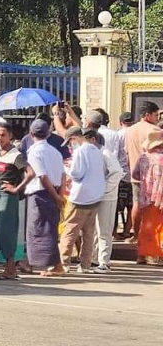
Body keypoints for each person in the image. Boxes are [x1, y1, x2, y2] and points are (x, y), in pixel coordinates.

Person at [0, 123, 34, 280]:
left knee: (7, 231)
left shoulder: (15, 155)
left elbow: (31, 173)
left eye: (3, 135)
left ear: (10, 136)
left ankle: (10, 269)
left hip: (8, 198)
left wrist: (16, 188)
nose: (0, 138)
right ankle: (8, 268)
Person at [59, 127, 106, 274]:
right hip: (95, 196)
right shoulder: (97, 151)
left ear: (75, 137)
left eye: (70, 141)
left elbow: (77, 174)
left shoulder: (80, 151)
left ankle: (63, 263)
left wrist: (66, 169)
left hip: (80, 197)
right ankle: (85, 264)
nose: (70, 145)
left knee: (69, 230)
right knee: (88, 233)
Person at [24, 120, 66, 277]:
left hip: (41, 193)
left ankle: (49, 264)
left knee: (39, 230)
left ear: (31, 134)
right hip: (53, 191)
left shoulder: (35, 152)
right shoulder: (55, 151)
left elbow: (42, 176)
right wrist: (59, 196)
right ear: (48, 134)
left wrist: (56, 196)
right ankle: (47, 263)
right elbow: (62, 175)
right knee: (50, 229)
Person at [124, 101, 160, 260]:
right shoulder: (154, 130)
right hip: (156, 182)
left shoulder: (130, 130)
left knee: (137, 204)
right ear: (148, 115)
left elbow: (125, 153)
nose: (157, 117)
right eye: (155, 114)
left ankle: (134, 233)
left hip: (136, 173)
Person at [82, 130, 122, 274]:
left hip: (107, 196)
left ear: (93, 140)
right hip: (95, 195)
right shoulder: (92, 154)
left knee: (104, 229)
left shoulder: (106, 154)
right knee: (93, 229)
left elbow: (117, 173)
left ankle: (104, 262)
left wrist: (104, 188)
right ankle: (94, 258)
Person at [132, 129, 163, 265]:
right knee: (160, 226)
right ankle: (159, 256)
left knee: (146, 226)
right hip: (160, 197)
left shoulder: (143, 157)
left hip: (145, 197)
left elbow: (135, 175)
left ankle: (142, 255)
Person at [116, 111, 134, 238]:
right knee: (132, 205)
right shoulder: (135, 133)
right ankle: (128, 230)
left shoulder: (118, 135)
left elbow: (115, 154)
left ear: (121, 122)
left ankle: (114, 232)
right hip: (135, 175)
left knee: (117, 206)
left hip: (121, 175)